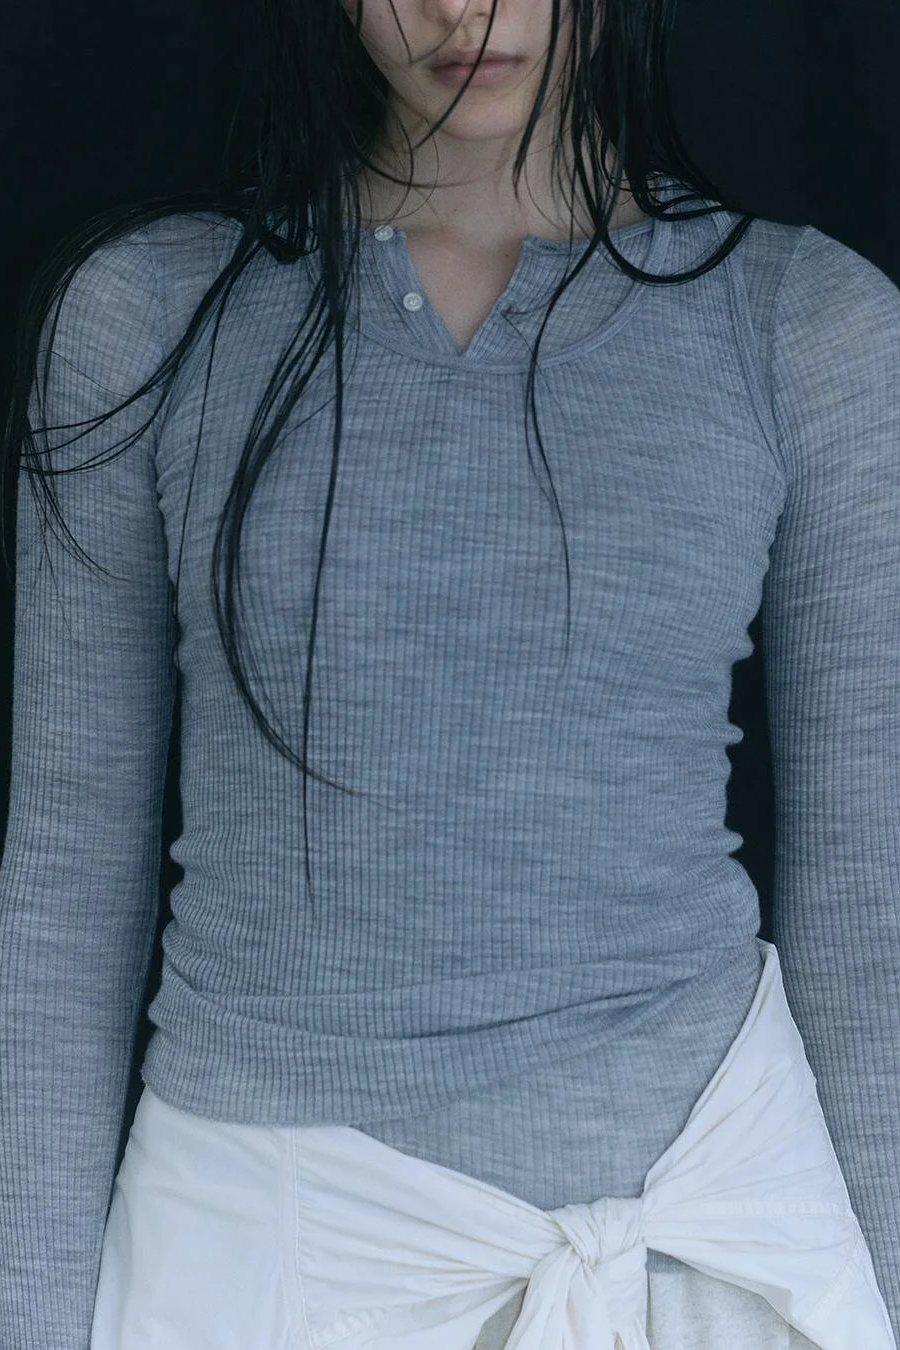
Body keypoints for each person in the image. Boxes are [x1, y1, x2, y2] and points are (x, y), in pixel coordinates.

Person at [0, 0, 898, 1343]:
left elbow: (871, 893)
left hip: (718, 1248)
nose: (455, 8)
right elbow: (66, 881)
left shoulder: (807, 325)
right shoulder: (150, 315)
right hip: (264, 1259)